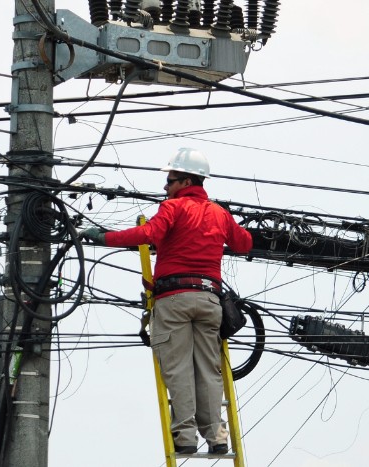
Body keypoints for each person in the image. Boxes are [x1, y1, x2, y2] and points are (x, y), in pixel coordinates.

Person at [80, 148, 253, 455]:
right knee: (209, 370)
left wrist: (103, 238)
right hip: (209, 301)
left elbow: (148, 234)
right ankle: (216, 436)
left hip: (174, 300)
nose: (165, 187)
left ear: (186, 180)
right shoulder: (219, 213)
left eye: (170, 180)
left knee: (179, 370)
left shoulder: (173, 209)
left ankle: (185, 437)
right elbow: (244, 244)